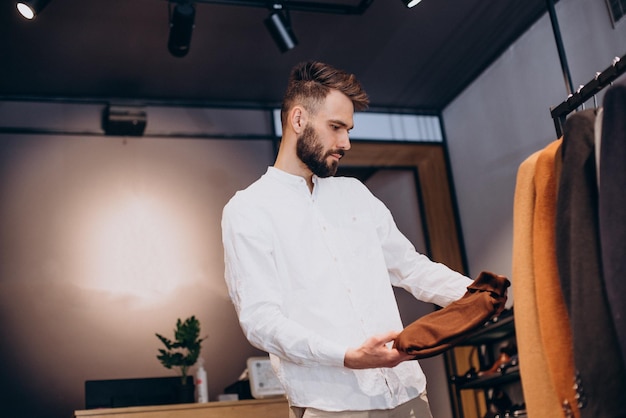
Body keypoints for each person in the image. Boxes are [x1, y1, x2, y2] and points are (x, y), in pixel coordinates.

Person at [221, 61, 474, 418]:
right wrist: (345, 357)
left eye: (348, 129)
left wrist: (478, 296)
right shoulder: (248, 209)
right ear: (298, 120)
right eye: (336, 127)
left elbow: (411, 268)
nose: (346, 143)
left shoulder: (355, 194)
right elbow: (261, 321)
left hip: (407, 393)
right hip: (331, 404)